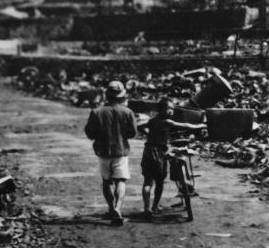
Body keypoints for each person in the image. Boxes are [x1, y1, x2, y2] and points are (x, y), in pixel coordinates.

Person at [139, 98, 205, 219]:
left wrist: (148, 134)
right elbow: (185, 125)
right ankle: (154, 206)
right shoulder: (167, 122)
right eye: (168, 108)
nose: (170, 111)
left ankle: (146, 208)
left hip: (148, 151)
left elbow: (141, 126)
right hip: (159, 152)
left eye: (172, 109)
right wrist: (201, 125)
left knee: (147, 181)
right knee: (159, 182)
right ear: (161, 110)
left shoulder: (152, 121)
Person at [84, 80, 137, 225]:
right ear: (121, 97)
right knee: (121, 180)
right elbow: (132, 133)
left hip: (102, 151)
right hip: (120, 151)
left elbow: (90, 132)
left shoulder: (96, 112)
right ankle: (118, 208)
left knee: (106, 181)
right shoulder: (127, 112)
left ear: (107, 95)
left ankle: (111, 207)